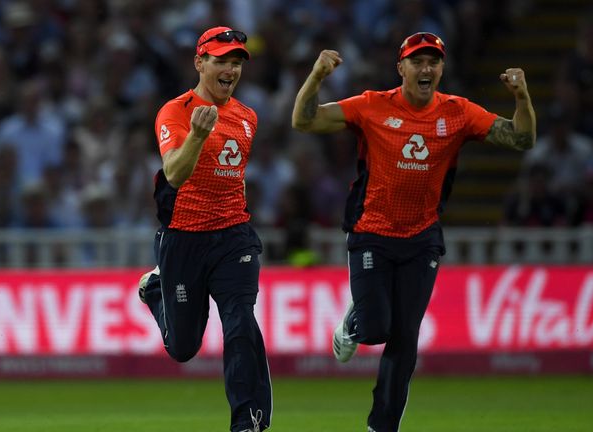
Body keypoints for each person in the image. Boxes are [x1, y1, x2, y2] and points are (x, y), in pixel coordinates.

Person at [291, 32, 536, 431]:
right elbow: (303, 120)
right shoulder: (371, 106)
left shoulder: (459, 112)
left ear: (441, 68)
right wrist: (316, 77)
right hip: (371, 231)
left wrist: (522, 98)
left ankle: (381, 426)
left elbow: (523, 139)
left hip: (422, 238)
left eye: (433, 62)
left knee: (405, 341)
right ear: (400, 68)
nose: (426, 69)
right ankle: (355, 321)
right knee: (376, 329)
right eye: (417, 62)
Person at [138, 26, 271, 432]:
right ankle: (155, 290)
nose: (230, 69)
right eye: (221, 60)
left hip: (233, 235)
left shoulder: (247, 117)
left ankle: (248, 421)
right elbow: (175, 174)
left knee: (239, 319)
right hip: (184, 239)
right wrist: (198, 133)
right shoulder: (175, 112)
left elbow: (236, 177)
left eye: (236, 62)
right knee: (183, 348)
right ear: (200, 63)